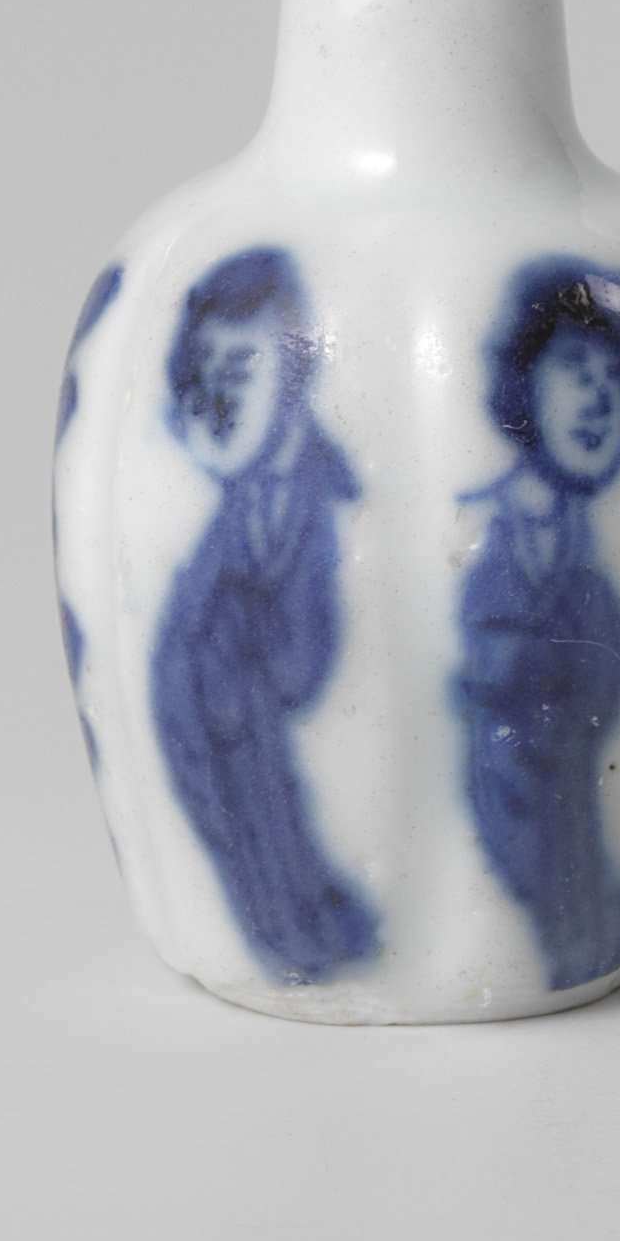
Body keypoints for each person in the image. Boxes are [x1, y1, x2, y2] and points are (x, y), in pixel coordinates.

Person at [150, 246, 380, 983]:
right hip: (219, 770)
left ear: (296, 377)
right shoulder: (232, 512)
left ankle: (315, 933)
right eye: (203, 374)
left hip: (264, 765)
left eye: (241, 370)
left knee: (294, 888)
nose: (216, 400)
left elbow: (305, 665)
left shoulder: (321, 502)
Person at [455, 259, 620, 990]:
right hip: (501, 809)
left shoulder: (587, 551)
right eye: (575, 369)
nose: (599, 398)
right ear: (523, 388)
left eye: (615, 378)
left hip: (572, 820)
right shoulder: (481, 533)